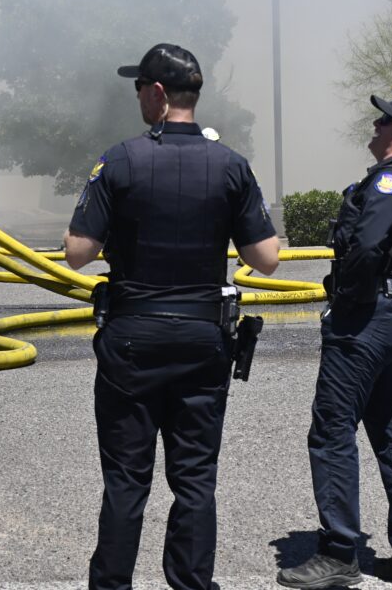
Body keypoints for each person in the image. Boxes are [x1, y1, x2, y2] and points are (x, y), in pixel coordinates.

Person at [64, 42, 280, 590]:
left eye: (139, 87)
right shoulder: (231, 165)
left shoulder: (120, 160)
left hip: (132, 341)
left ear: (158, 92)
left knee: (126, 482)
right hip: (204, 341)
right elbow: (266, 259)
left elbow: (77, 253)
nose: (137, 95)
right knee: (195, 481)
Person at [277, 92, 392, 590]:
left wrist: (344, 302)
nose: (375, 124)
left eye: (385, 120)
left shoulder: (391, 179)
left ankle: (337, 554)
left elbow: (368, 245)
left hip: (369, 317)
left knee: (332, 430)